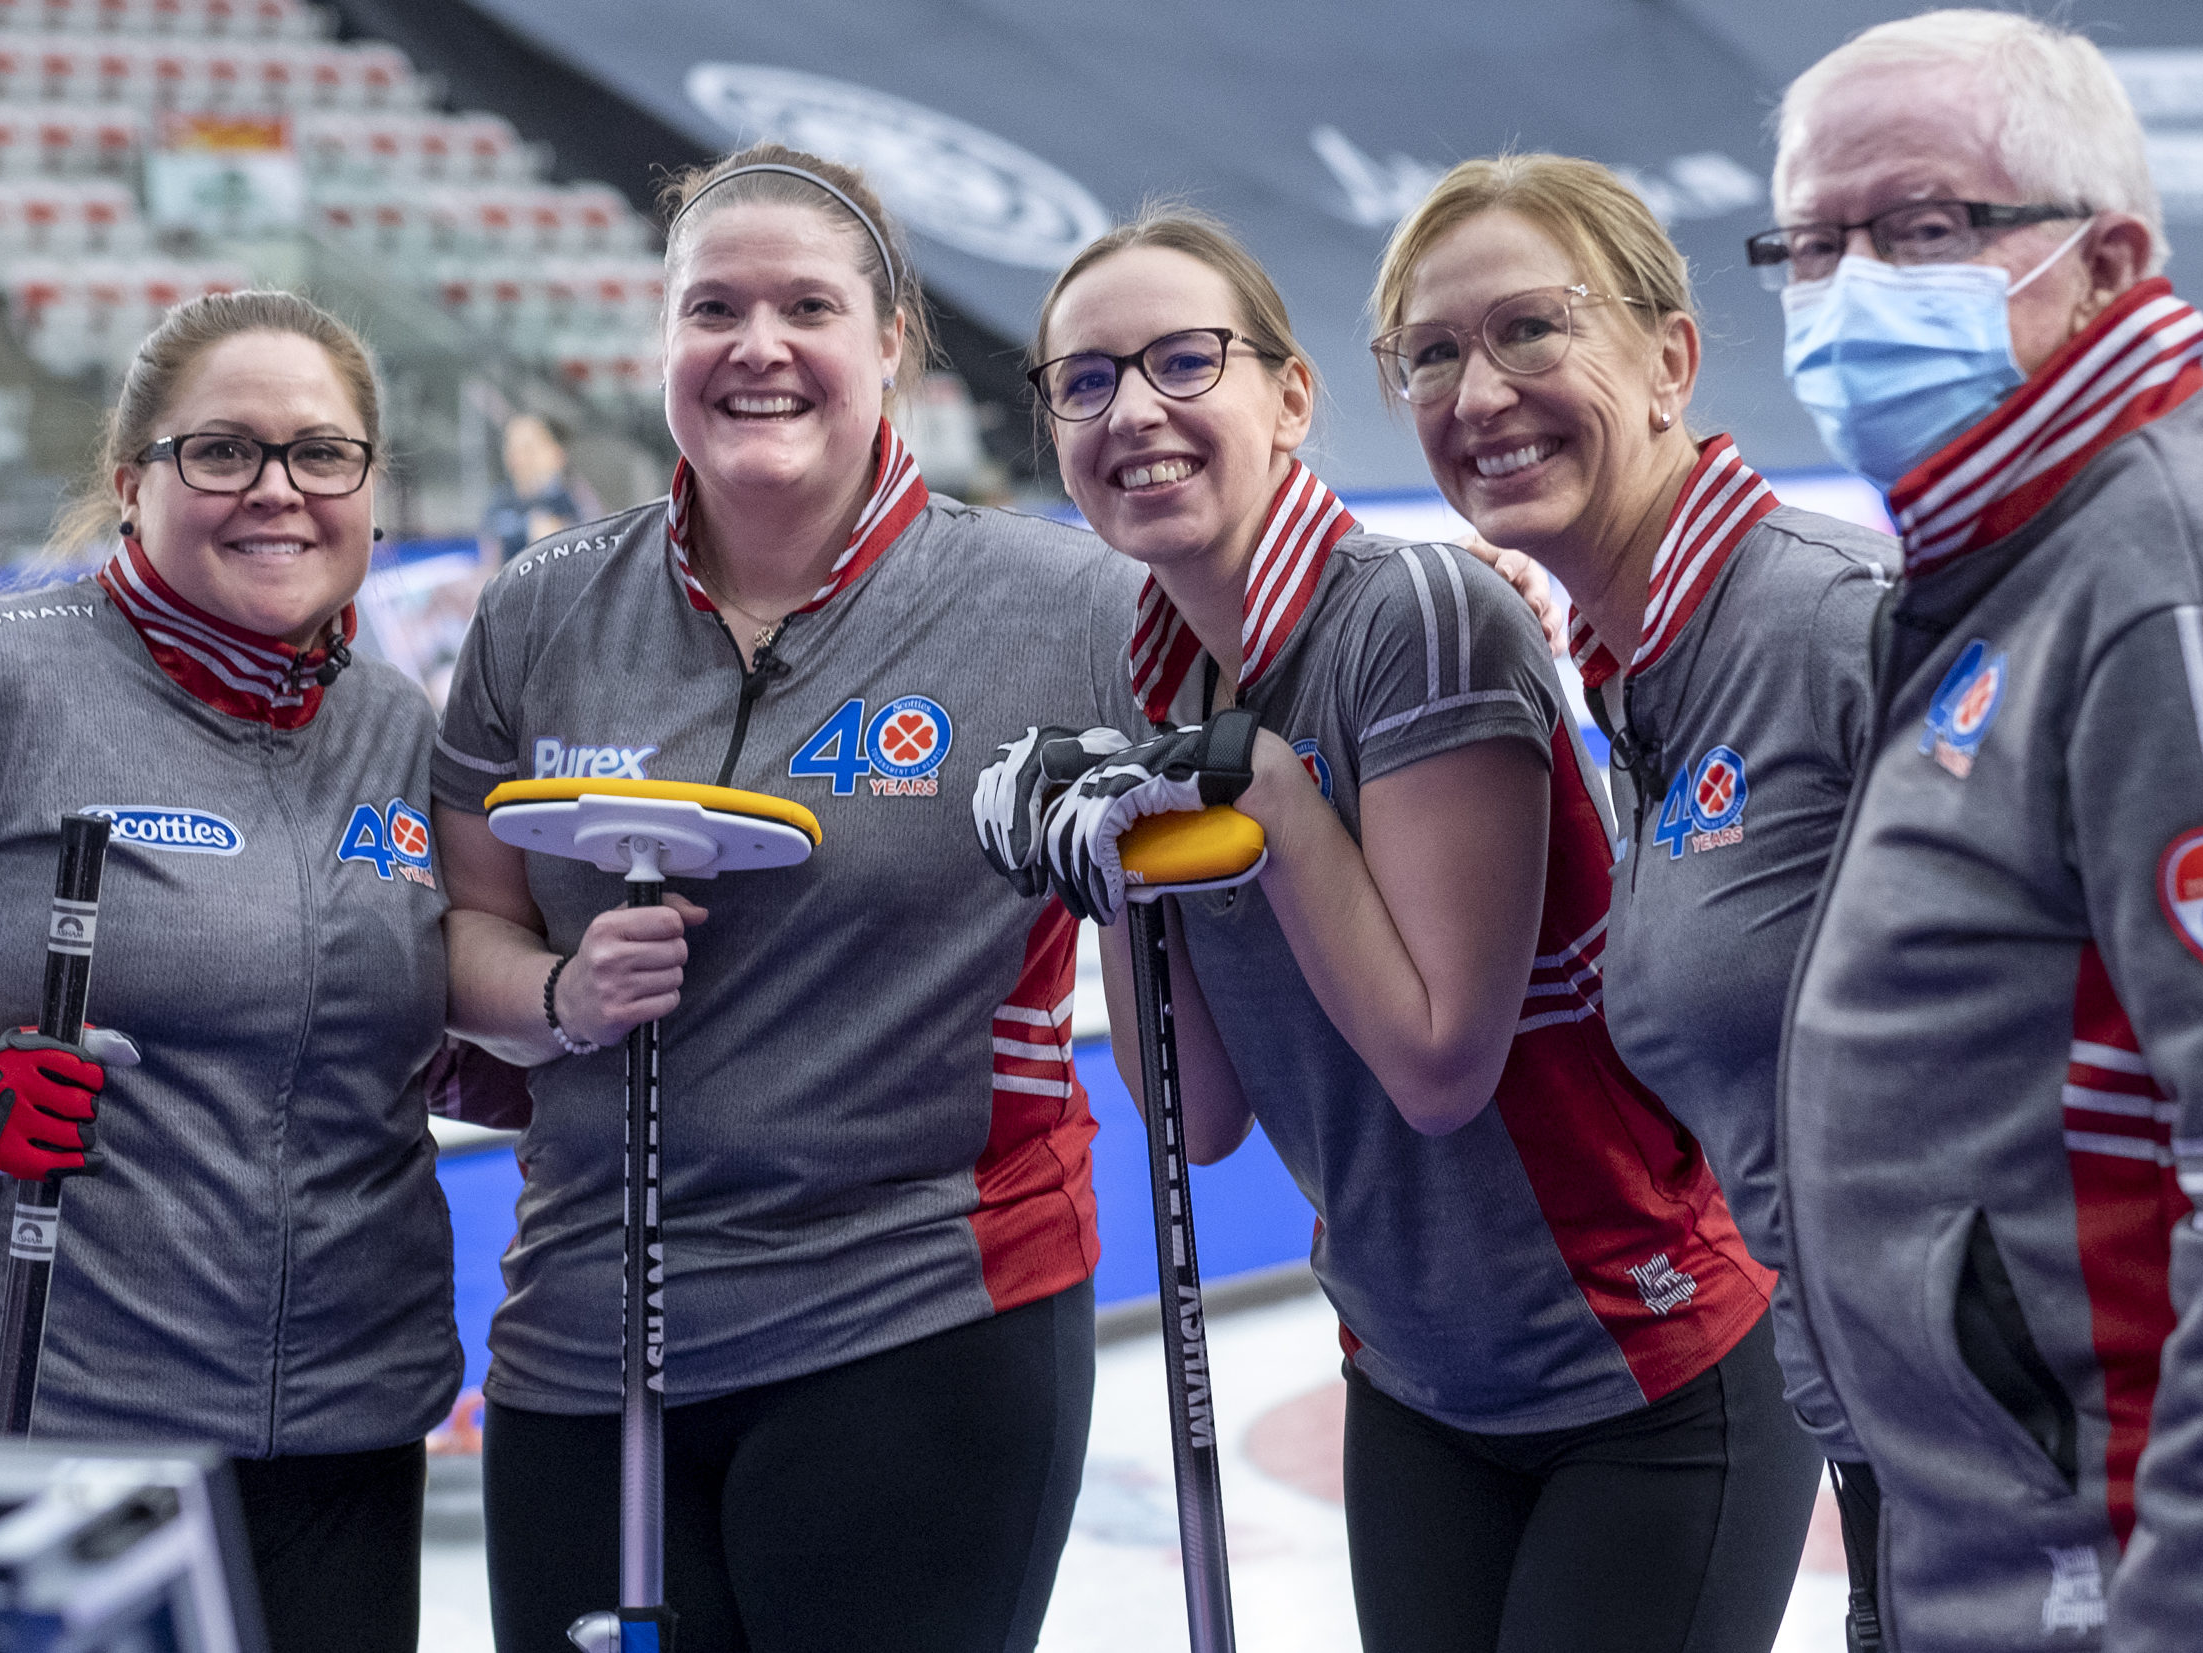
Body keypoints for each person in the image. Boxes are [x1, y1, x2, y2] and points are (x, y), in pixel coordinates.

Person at [987, 207, 1806, 1653]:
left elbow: (1440, 1068)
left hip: (1637, 1372)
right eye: (1086, 380)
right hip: (1415, 1379)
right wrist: (1110, 872)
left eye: (1185, 362)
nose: (1136, 413)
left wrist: (1274, 810)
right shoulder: (1157, 680)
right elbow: (1202, 1120)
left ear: (1290, 395)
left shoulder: (1416, 616)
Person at [431, 142, 1140, 1652]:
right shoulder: (543, 608)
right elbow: (463, 931)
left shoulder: (1071, 606)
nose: (756, 348)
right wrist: (555, 995)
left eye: (807, 307)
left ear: (890, 340)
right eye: (712, 309)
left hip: (921, 1316)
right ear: (662, 341)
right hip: (581, 1333)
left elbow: (1278, 716)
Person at [1764, 12, 2203, 1650]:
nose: (1850, 287)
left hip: (2143, 1578)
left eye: (1924, 227)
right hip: (2001, 1555)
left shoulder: (2164, 572)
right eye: (1809, 244)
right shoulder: (1990, 560)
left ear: (2107, 262)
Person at [0, 290, 460, 1652]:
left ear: (370, 490)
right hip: (48, 1438)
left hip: (346, 1429)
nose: (278, 491)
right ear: (133, 479)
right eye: (223, 452)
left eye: (322, 453)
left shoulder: (394, 725)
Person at [1367, 153, 1898, 1647]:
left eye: (1531, 328)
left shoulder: (1825, 622)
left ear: (1668, 359)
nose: (1477, 394)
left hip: (2048, 1437)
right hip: (1893, 1428)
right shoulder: (1645, 673)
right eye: (1430, 353)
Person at [479, 410, 602, 564]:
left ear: (557, 453)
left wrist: (559, 540)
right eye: (511, 448)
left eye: (529, 448)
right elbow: (488, 560)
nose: (518, 458)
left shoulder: (576, 499)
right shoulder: (500, 499)